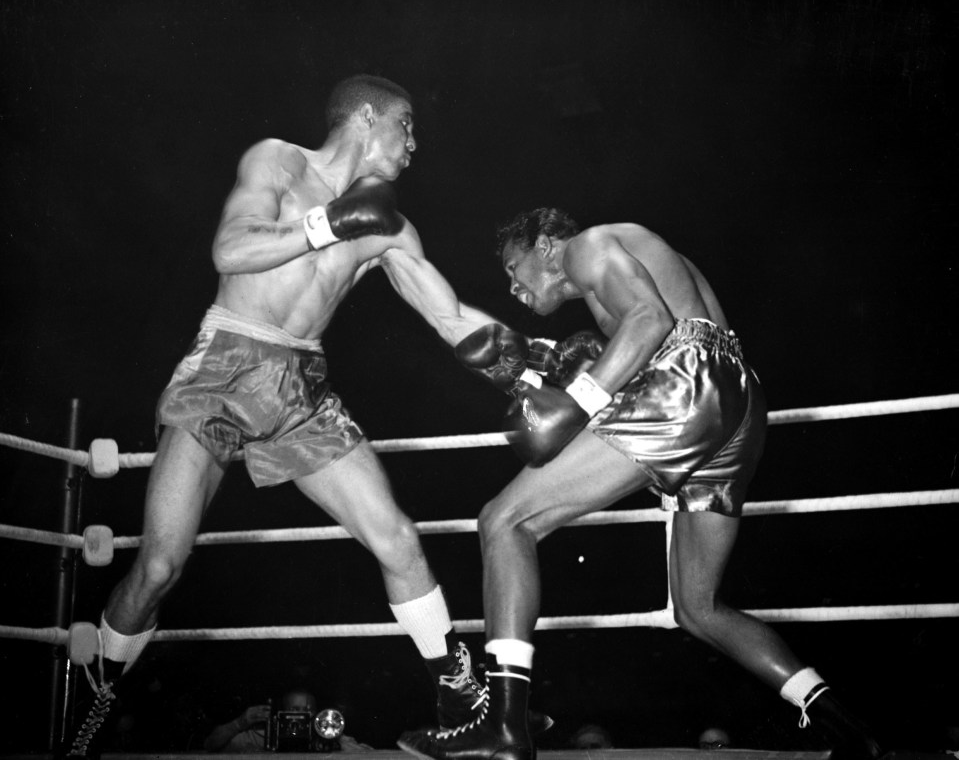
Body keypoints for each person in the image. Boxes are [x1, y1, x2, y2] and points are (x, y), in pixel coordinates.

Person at [58, 74, 544, 758]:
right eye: (405, 126)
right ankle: (98, 692)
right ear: (367, 117)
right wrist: (327, 224)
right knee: (161, 565)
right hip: (224, 366)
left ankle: (460, 691)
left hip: (300, 386)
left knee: (398, 540)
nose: (413, 144)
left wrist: (530, 369)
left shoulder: (391, 227)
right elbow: (230, 250)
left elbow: (452, 317)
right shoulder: (279, 161)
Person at [397, 208, 887, 760]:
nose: (513, 287)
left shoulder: (584, 246)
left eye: (515, 268)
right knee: (698, 607)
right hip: (735, 402)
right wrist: (540, 366)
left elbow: (650, 321)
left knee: (504, 520)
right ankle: (845, 729)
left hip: (687, 383)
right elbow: (644, 336)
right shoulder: (623, 266)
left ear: (544, 245)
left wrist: (575, 400)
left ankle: (504, 727)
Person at [204, 690, 373, 753]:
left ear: (317, 715)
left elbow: (370, 755)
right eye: (293, 711)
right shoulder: (264, 737)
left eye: (307, 711)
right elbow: (211, 745)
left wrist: (334, 743)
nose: (300, 717)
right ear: (281, 713)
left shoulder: (329, 739)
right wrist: (240, 723)